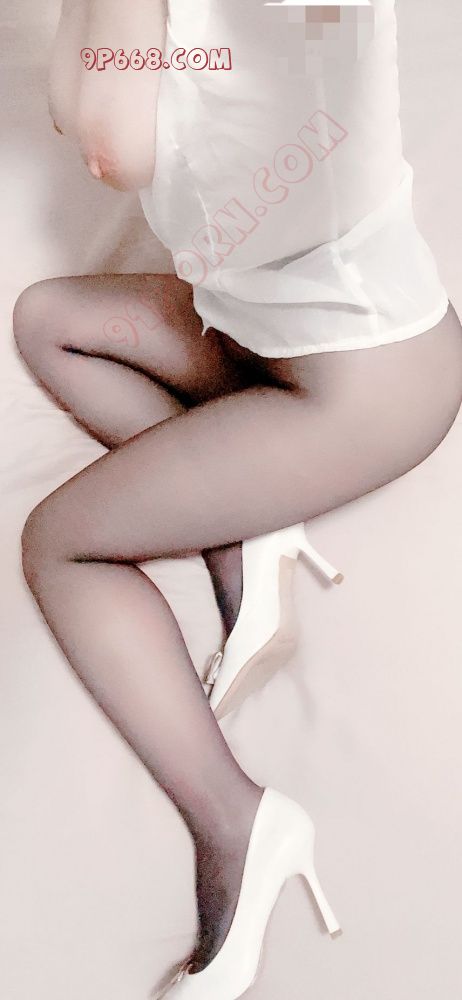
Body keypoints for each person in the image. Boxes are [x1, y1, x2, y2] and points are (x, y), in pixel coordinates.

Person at [13, 1, 462, 996]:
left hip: (367, 388)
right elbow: (72, 109)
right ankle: (245, 537)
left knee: (59, 544)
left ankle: (239, 822)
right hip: (256, 329)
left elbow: (111, 143)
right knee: (48, 318)